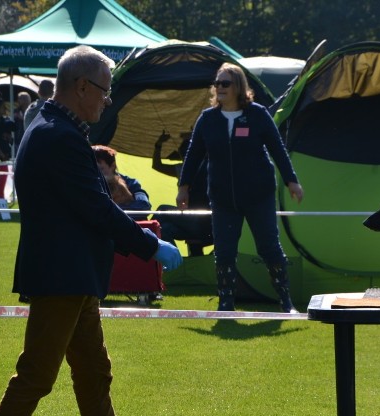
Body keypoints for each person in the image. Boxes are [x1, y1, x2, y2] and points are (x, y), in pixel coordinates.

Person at [0, 45, 184, 416]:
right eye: (104, 91)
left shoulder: (49, 126)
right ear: (82, 87)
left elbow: (91, 208)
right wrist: (150, 245)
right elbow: (97, 209)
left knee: (93, 373)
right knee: (35, 377)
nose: (107, 100)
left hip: (73, 276)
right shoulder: (58, 136)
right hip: (62, 277)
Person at [178, 63, 304, 312]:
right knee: (224, 251)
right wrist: (184, 187)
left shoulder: (258, 114)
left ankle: (285, 301)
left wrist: (292, 180)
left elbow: (277, 149)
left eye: (225, 83)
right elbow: (193, 155)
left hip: (259, 194)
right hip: (223, 197)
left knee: (268, 247)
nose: (219, 88)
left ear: (238, 86)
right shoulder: (207, 119)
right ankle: (226, 302)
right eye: (217, 84)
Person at [152, 130, 213, 256]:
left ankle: (144, 241)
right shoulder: (181, 169)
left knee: (162, 209)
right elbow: (157, 165)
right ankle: (176, 263)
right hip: (190, 220)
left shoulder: (209, 166)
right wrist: (158, 145)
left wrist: (197, 137)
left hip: (205, 220)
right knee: (165, 229)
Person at [92, 145, 152, 214]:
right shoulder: (85, 182)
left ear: (112, 166)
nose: (95, 173)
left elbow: (144, 206)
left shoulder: (131, 183)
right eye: (90, 168)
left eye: (100, 169)